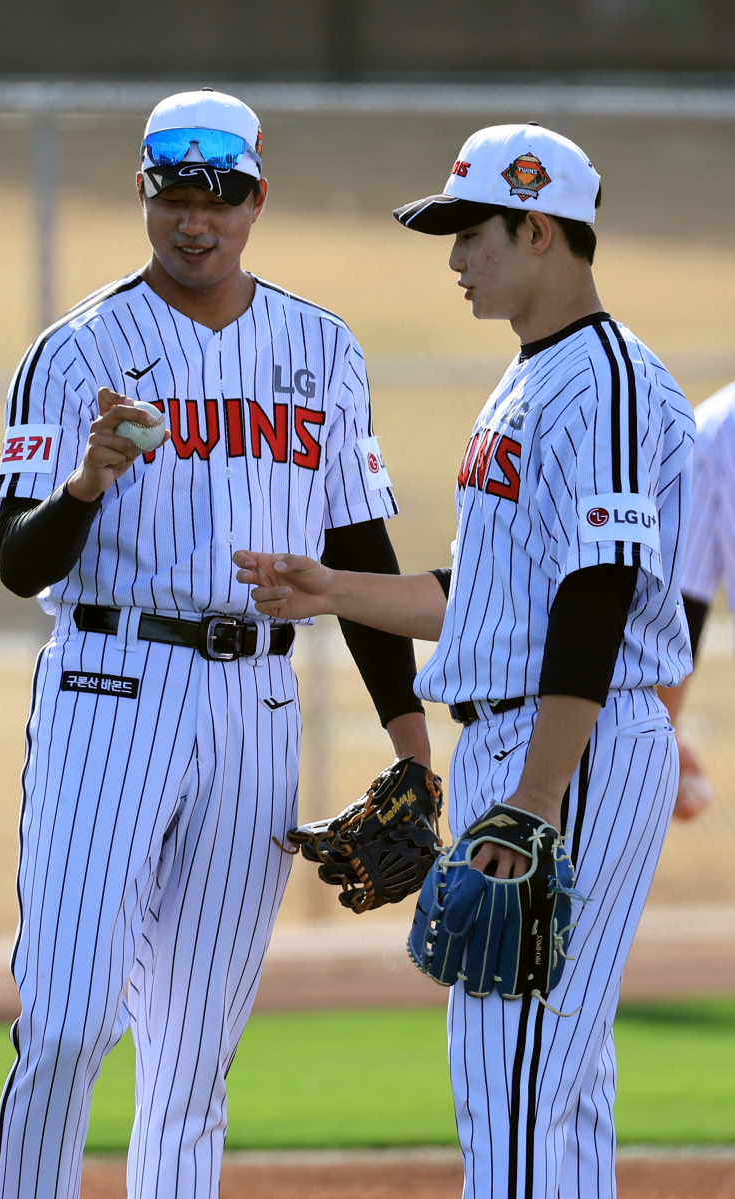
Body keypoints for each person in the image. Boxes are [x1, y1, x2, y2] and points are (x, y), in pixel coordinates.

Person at [235, 122, 695, 1199]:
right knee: (549, 1081)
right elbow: (487, 597)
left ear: (537, 229)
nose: (453, 259)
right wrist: (331, 588)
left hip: (566, 746)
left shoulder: (606, 384)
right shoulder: (534, 380)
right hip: (533, 737)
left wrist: (533, 800)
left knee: (514, 1079)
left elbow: (597, 592)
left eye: (468, 233)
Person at [0, 88, 430, 1199]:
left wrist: (411, 740)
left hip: (256, 705)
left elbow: (359, 544)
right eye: (176, 194)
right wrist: (85, 483)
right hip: (109, 683)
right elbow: (18, 560)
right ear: (144, 194)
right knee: (68, 1018)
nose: (198, 220)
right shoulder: (76, 350)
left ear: (257, 199)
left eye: (221, 196)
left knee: (193, 1056)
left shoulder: (321, 348)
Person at [656, 382, 735, 820]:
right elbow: (682, 607)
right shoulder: (716, 431)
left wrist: (662, 744)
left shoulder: (716, 429)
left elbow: (679, 609)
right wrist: (665, 739)